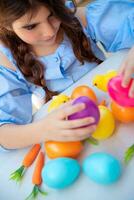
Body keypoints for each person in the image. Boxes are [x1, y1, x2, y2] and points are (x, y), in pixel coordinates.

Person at [0, 0, 133, 150]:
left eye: (52, 14)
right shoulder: (6, 61)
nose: (49, 31)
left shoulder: (79, 18)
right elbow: (4, 133)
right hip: (73, 139)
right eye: (31, 26)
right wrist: (42, 130)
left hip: (117, 117)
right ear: (6, 24)